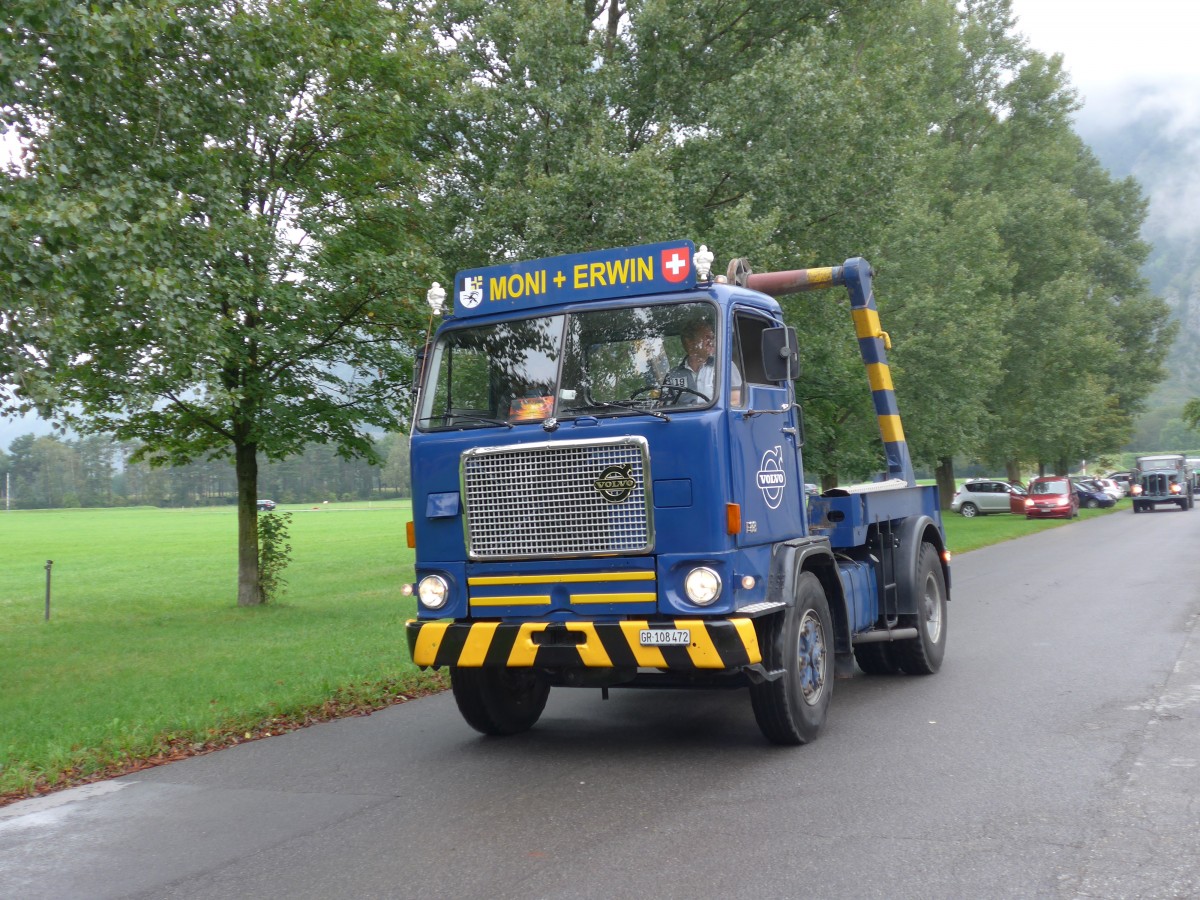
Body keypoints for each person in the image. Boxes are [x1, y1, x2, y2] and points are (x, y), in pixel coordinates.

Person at [663, 319, 742, 405]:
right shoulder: (673, 375)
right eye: (707, 337)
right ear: (689, 342)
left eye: (712, 338)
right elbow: (664, 406)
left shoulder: (725, 366)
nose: (711, 342)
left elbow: (735, 401)